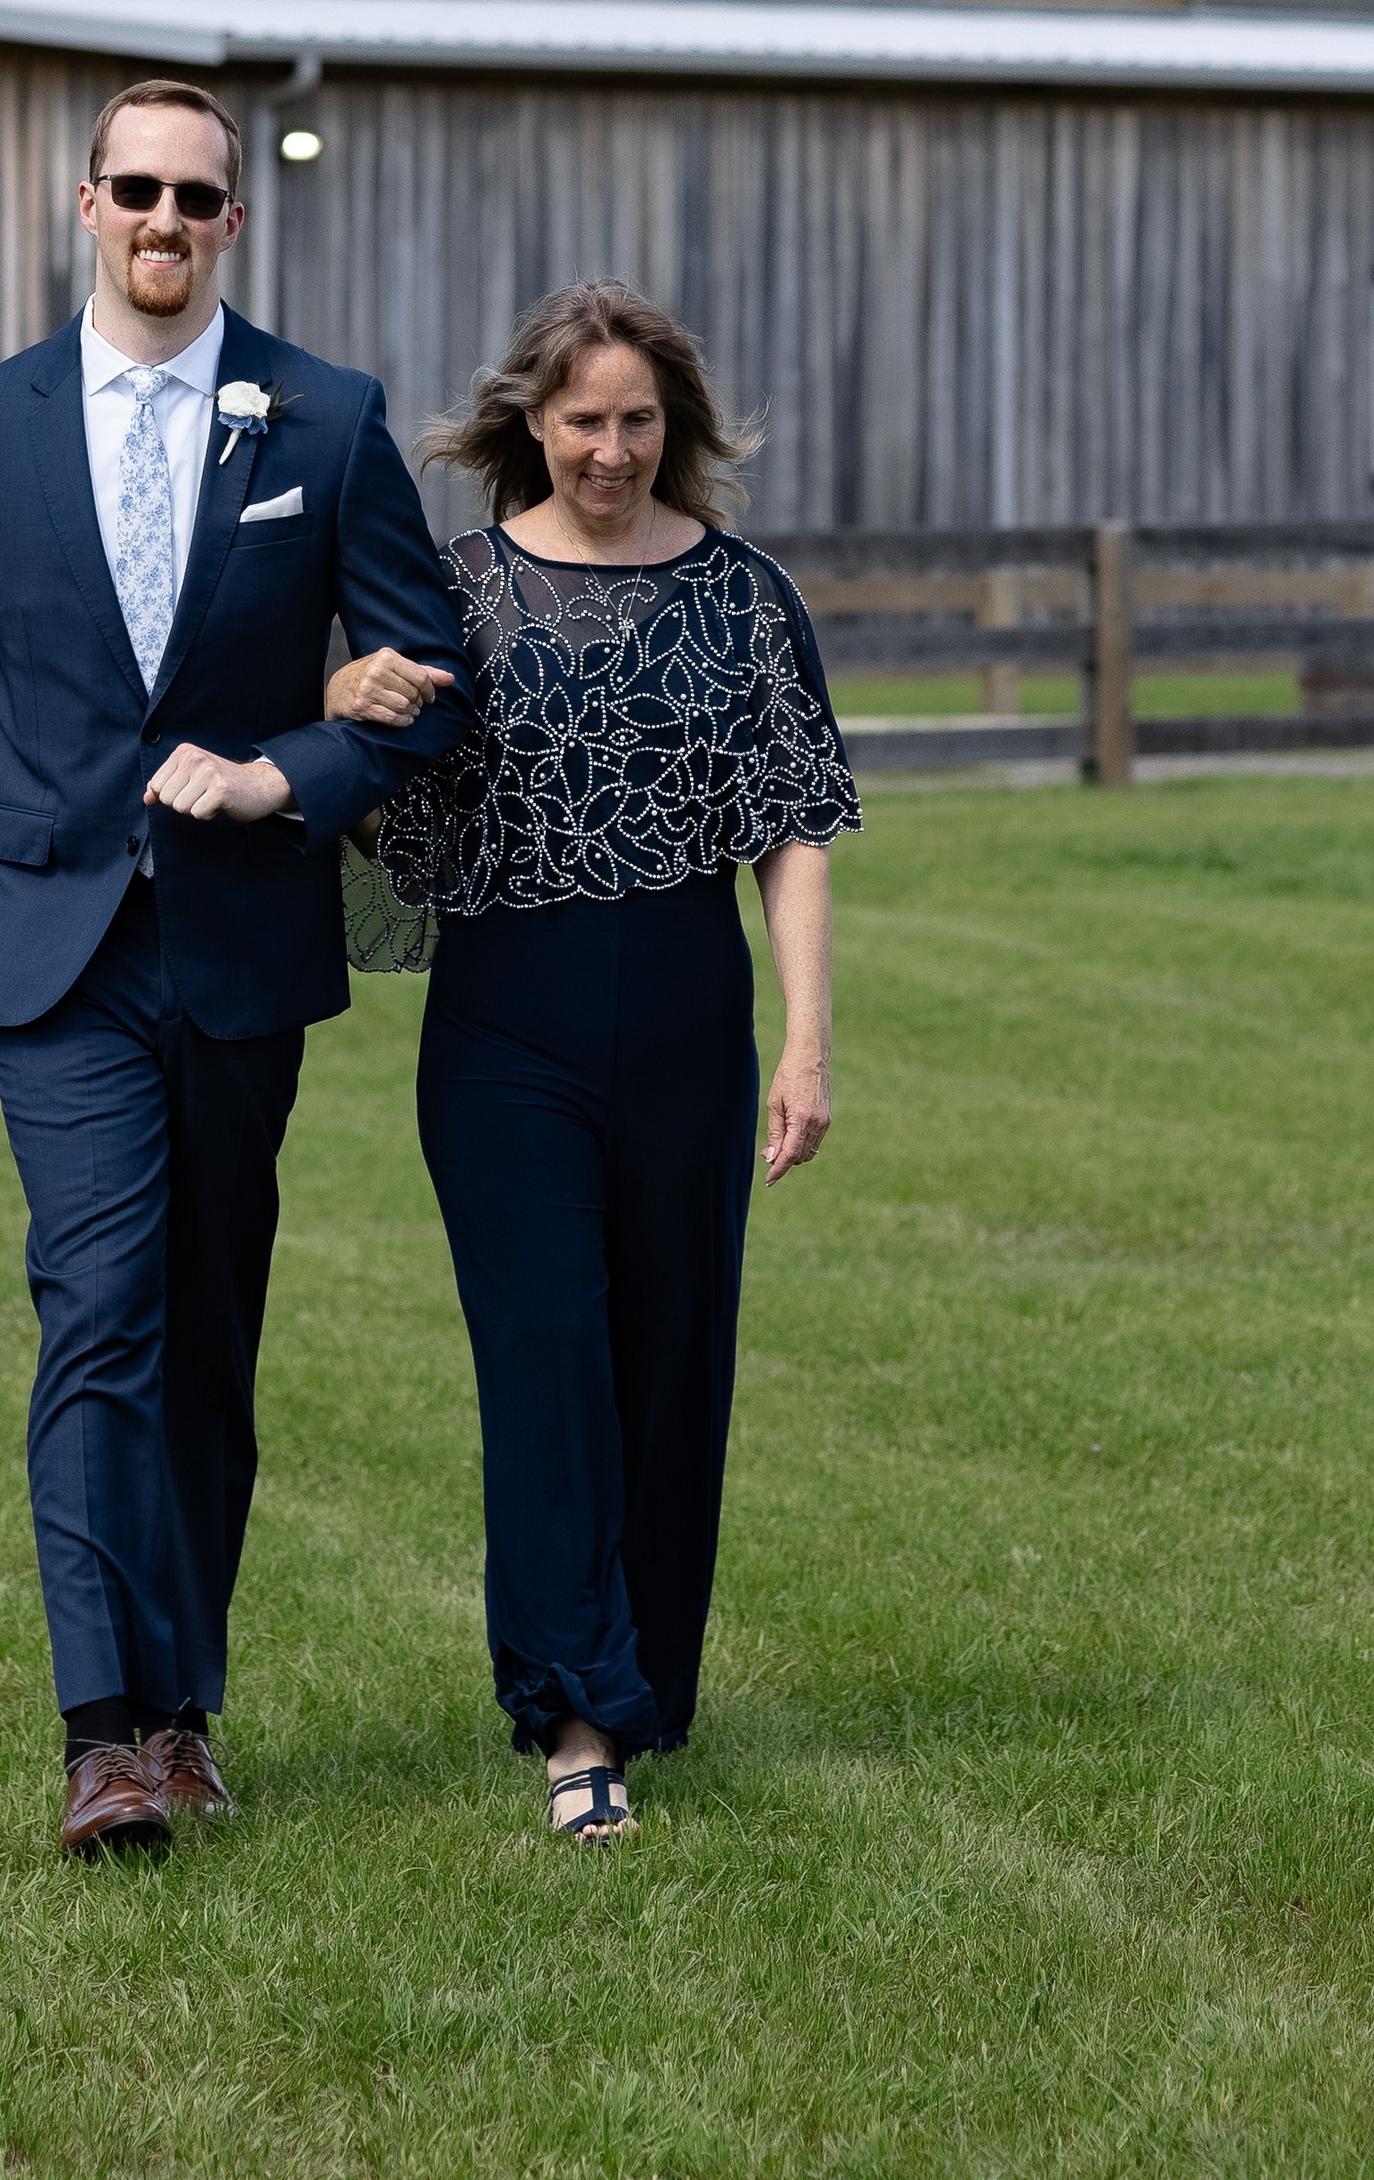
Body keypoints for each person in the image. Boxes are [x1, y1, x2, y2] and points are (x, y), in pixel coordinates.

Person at [0, 78, 466, 1857]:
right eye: (138, 189)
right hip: (52, 943)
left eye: (199, 196)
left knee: (207, 1332)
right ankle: (102, 1735)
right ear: (87, 201)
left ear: (233, 225)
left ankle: (187, 1712)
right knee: (98, 1307)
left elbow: (431, 679)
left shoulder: (324, 420)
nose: (166, 220)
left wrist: (293, 769)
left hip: (239, 946)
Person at [326, 279, 857, 1843]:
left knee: (672, 1364)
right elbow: (371, 790)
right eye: (582, 419)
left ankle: (642, 1684)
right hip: (507, 1030)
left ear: (673, 426)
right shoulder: (456, 591)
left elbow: (797, 822)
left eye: (636, 419)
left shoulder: (748, 596)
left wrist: (808, 1040)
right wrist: (336, 698)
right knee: (551, 1360)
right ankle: (573, 1717)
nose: (610, 447)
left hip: (694, 1014)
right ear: (528, 426)